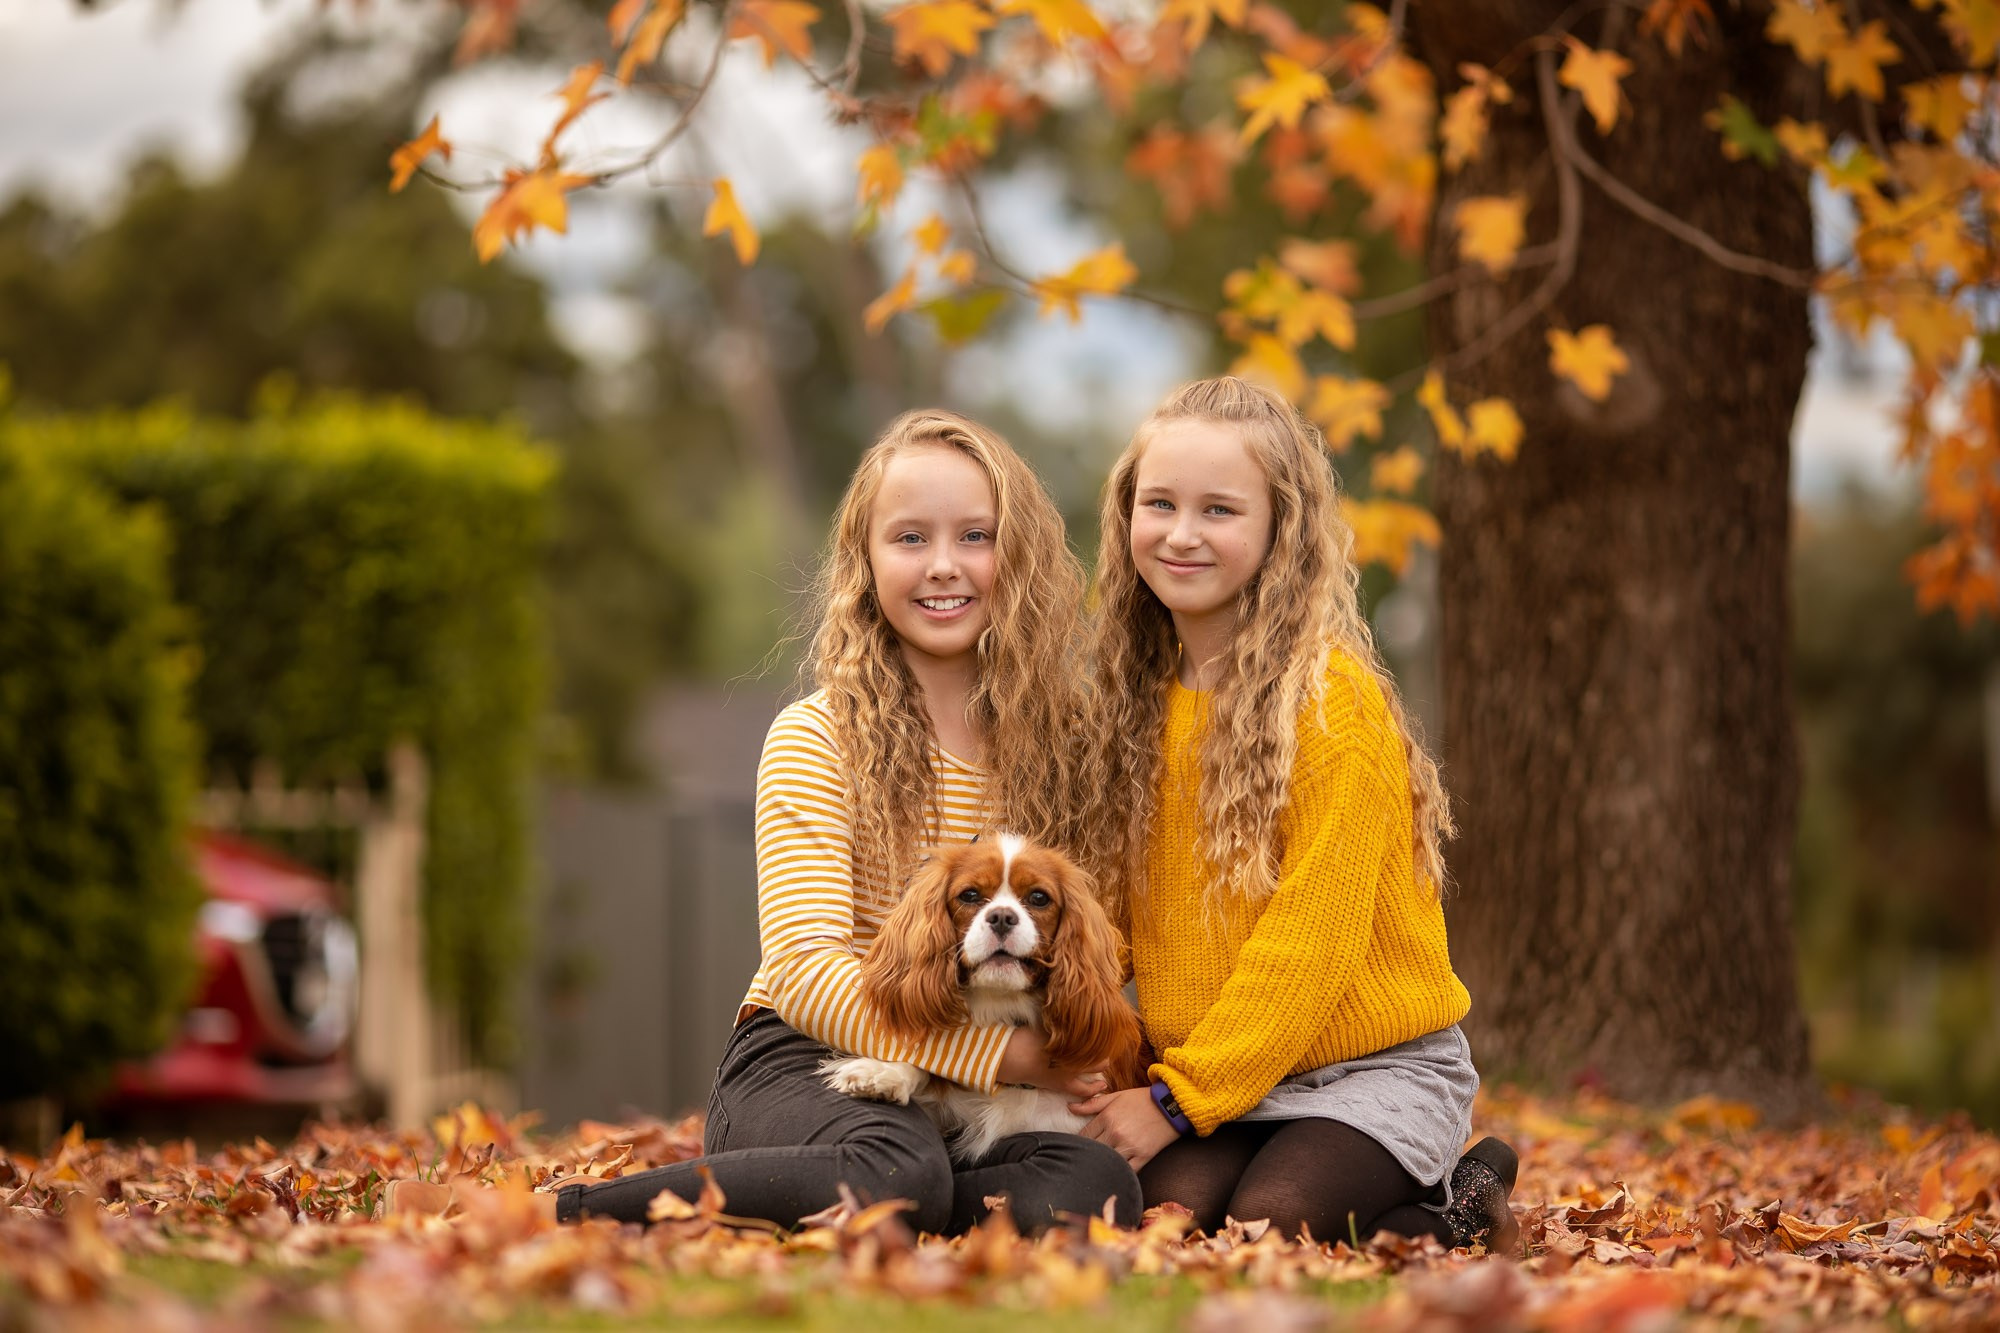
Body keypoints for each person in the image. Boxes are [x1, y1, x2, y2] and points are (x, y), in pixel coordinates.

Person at [393, 410, 1140, 1235]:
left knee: (1095, 1182)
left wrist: (1082, 1059)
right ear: (864, 563)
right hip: (806, 1055)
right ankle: (551, 1213)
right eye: (908, 538)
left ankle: (857, 1205)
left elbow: (1100, 939)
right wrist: (999, 1056)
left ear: (1021, 557)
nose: (942, 566)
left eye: (974, 535)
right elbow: (805, 970)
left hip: (992, 1090)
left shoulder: (1069, 748)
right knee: (898, 1163)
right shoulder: (816, 737)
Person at [1067, 376, 1520, 1253]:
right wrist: (1079, 1051)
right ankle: (1407, 1190)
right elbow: (1109, 918)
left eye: (1220, 510)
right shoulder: (1133, 705)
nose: (1183, 532)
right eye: (1159, 503)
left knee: (1268, 1227)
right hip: (1223, 1073)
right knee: (1157, 1222)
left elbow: (1311, 944)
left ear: (1282, 529)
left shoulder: (1327, 699)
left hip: (1370, 1068)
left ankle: (1459, 1196)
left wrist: (1171, 1103)